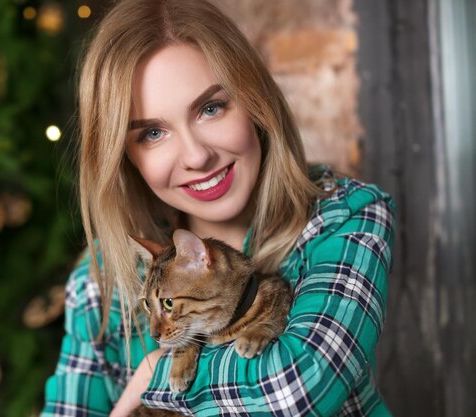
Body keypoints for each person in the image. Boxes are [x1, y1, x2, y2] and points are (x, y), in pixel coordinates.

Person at [41, 0, 395, 415]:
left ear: (254, 101)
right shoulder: (99, 281)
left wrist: (154, 371)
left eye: (211, 108)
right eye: (153, 133)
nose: (195, 156)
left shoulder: (346, 218)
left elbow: (297, 393)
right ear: (125, 157)